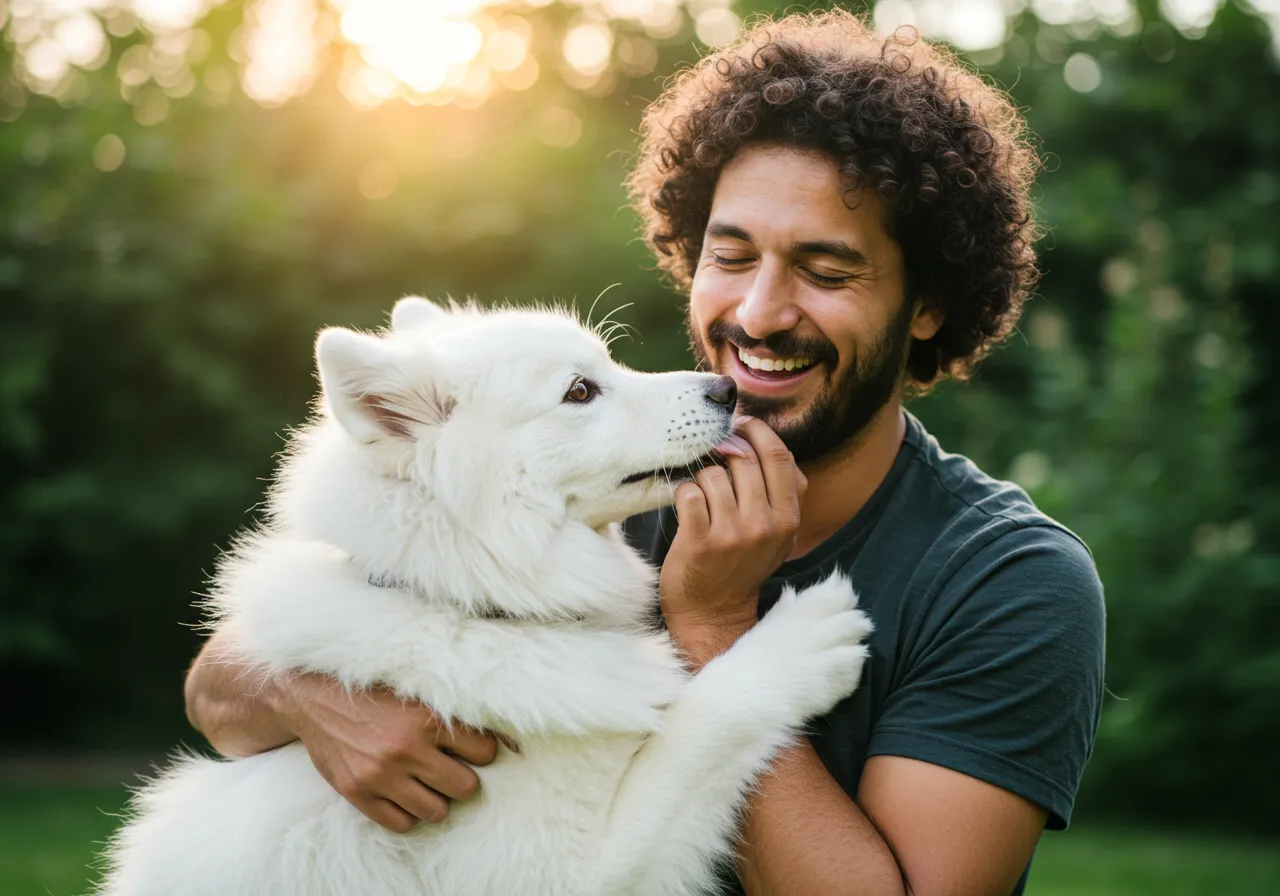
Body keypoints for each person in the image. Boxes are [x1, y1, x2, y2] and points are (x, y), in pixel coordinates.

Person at [184, 10, 1105, 896]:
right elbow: (230, 671)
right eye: (731, 255)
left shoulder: (1008, 579)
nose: (758, 313)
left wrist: (713, 630)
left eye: (826, 271)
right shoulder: (605, 485)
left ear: (930, 304)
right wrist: (309, 698)